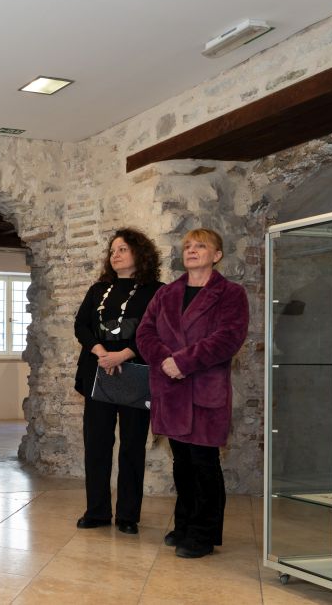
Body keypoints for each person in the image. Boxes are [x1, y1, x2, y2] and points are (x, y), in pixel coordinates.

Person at [136, 228, 248, 559]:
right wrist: (165, 361)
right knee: (182, 462)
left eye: (201, 246)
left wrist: (183, 362)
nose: (192, 250)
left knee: (203, 463)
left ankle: (203, 533)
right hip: (170, 389)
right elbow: (144, 333)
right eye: (187, 246)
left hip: (204, 389)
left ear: (217, 255)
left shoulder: (230, 294)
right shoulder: (166, 293)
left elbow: (228, 338)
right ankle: (184, 523)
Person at [73, 228, 163, 535]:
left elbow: (159, 330)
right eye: (112, 251)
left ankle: (127, 515)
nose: (115, 255)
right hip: (98, 371)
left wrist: (123, 354)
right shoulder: (98, 289)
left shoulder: (157, 291)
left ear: (140, 253)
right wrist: (101, 352)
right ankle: (97, 511)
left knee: (132, 447)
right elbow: (81, 325)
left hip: (134, 373)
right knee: (96, 445)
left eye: (122, 249)